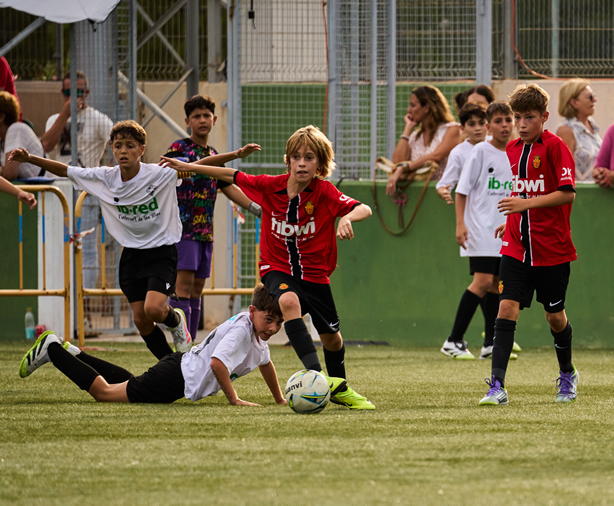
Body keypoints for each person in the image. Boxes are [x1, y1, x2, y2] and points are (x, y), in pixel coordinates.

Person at [159, 125, 377, 410]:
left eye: (309, 157)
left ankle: (340, 388)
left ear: (319, 164)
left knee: (333, 340)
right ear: (287, 161)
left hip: (316, 276)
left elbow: (364, 208)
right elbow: (230, 174)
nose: (302, 162)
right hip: (275, 268)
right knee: (288, 301)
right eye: (296, 156)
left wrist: (346, 219)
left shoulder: (324, 192)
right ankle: (318, 378)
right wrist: (190, 166)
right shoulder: (268, 185)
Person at [8, 121, 193, 359]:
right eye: (118, 146)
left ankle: (177, 322)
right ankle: (172, 366)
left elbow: (203, 167)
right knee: (140, 320)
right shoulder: (105, 177)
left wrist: (235, 158)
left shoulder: (159, 174)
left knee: (154, 309)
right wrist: (30, 158)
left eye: (130, 145)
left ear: (142, 149)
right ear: (112, 149)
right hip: (132, 256)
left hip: (162, 252)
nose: (123, 150)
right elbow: (65, 170)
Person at [18, 285, 286, 407]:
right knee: (104, 393)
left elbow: (265, 362)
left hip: (176, 372)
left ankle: (73, 354)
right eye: (269, 320)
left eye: (279, 323)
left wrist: (279, 399)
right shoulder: (242, 330)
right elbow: (217, 364)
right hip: (174, 379)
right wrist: (235, 399)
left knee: (129, 384)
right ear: (253, 311)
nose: (273, 328)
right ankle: (52, 350)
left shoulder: (254, 331)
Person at [479, 83, 578, 406]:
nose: (521, 124)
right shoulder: (512, 150)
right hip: (517, 246)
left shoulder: (555, 147)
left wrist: (525, 205)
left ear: (544, 117)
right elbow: (521, 198)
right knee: (506, 307)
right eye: (516, 117)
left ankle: (567, 374)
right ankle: (497, 385)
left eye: (529, 117)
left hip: (552, 249)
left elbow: (567, 193)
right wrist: (509, 223)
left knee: (555, 317)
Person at [163, 95, 263, 340]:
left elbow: (227, 186)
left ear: (214, 119)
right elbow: (193, 166)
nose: (202, 120)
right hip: (183, 232)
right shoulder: (179, 149)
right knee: (183, 290)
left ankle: (194, 343)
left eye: (206, 115)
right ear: (187, 121)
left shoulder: (214, 153)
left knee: (197, 290)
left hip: (205, 233)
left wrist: (256, 208)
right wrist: (236, 154)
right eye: (196, 116)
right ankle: (181, 343)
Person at [442, 101, 515, 360]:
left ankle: (490, 345)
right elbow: (461, 191)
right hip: (480, 229)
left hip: (503, 230)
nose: (504, 125)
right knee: (482, 282)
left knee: (495, 285)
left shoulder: (518, 151)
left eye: (508, 119)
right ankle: (453, 340)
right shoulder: (481, 152)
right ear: (488, 126)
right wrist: (460, 224)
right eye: (498, 121)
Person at [39, 71, 113, 296]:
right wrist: (65, 113)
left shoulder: (98, 119)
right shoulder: (55, 119)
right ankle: (64, 301)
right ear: (62, 93)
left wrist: (108, 175)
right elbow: (46, 145)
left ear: (87, 93)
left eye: (79, 92)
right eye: (69, 92)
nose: (75, 96)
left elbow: (118, 145)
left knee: (87, 248)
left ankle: (85, 306)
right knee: (58, 247)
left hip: (86, 192)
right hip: (59, 191)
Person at [386, 85, 462, 194]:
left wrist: (404, 168)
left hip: (443, 193)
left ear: (427, 107)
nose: (409, 110)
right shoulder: (415, 136)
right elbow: (398, 161)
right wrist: (408, 129)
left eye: (413, 105)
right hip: (417, 196)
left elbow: (436, 156)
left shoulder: (451, 129)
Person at [436, 102, 489, 205]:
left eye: (481, 123)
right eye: (471, 124)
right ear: (462, 128)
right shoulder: (458, 153)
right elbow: (444, 184)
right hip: (473, 210)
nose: (478, 128)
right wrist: (444, 191)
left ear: (488, 125)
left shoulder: (498, 145)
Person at [555, 78, 602, 182]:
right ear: (574, 103)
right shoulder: (566, 131)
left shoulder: (591, 126)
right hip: (580, 194)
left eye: (594, 96)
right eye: (590, 97)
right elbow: (563, 173)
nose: (594, 100)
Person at [0, 91, 46, 180]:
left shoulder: (15, 129)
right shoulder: (3, 139)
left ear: (1, 117)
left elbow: (10, 174)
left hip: (50, 191)